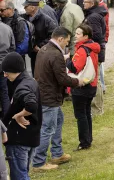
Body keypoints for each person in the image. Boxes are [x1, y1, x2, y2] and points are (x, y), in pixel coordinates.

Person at [32, 27, 84, 171]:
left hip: (44, 94)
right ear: (60, 39)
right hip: (50, 97)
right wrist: (78, 81)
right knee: (47, 129)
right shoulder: (55, 54)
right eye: (66, 42)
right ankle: (38, 162)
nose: (66, 45)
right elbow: (62, 79)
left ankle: (57, 153)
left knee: (59, 120)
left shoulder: (44, 49)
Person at [2, 52, 42, 180]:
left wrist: (19, 115)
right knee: (24, 173)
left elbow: (31, 105)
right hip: (31, 136)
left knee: (19, 176)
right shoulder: (30, 81)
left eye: (6, 71)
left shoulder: (22, 87)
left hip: (19, 140)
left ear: (14, 70)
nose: (4, 74)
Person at [66, 24, 100, 151]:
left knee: (80, 115)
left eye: (78, 34)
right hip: (91, 84)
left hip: (81, 87)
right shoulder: (93, 47)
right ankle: (88, 139)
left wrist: (68, 60)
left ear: (86, 36)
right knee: (86, 113)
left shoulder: (82, 50)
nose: (76, 35)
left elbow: (75, 68)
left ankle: (84, 142)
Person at [82, 0, 107, 114]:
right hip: (94, 51)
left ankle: (97, 109)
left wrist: (83, 39)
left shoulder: (93, 17)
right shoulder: (94, 15)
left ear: (91, 4)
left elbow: (96, 35)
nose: (83, 3)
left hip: (94, 52)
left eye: (85, 2)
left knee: (94, 80)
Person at [21, 0, 57, 75]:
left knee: (42, 76)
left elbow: (53, 36)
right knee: (35, 75)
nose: (24, 8)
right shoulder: (23, 17)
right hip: (32, 54)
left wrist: (40, 46)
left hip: (42, 54)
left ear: (32, 7)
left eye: (26, 6)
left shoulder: (46, 20)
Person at [0, 21, 14, 118]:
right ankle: (7, 118)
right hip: (3, 65)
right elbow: (13, 47)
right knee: (4, 93)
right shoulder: (7, 28)